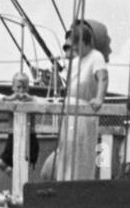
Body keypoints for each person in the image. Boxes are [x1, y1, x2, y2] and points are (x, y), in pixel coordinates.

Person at [42, 19, 108, 181]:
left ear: (86, 43)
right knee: (66, 149)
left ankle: (79, 183)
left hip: (84, 111)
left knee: (81, 152)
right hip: (69, 110)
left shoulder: (95, 57)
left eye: (77, 45)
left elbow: (102, 77)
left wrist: (99, 98)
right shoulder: (76, 60)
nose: (75, 49)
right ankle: (64, 182)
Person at [0, 71, 40, 176]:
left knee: (23, 168)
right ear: (13, 88)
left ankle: (19, 185)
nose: (21, 91)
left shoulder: (32, 101)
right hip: (14, 137)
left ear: (28, 89)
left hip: (29, 137)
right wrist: (8, 98)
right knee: (1, 163)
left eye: (24, 88)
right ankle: (16, 181)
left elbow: (45, 102)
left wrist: (32, 98)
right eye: (18, 87)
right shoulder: (10, 101)